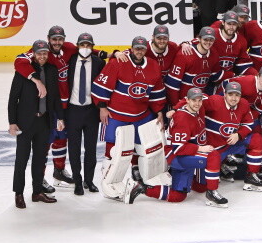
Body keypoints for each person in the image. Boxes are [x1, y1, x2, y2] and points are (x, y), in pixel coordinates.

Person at [92, 36, 167, 201]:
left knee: (149, 145)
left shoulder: (153, 66)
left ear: (145, 49)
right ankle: (108, 181)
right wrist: (102, 107)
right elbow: (101, 85)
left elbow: (156, 92)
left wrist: (159, 110)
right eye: (136, 48)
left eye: (142, 48)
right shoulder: (119, 62)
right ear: (131, 48)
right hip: (117, 114)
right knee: (114, 151)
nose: (139, 51)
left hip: (140, 113)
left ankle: (144, 174)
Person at [9, 40, 65, 209]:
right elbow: (13, 100)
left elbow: (55, 98)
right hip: (25, 123)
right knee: (21, 159)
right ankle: (18, 193)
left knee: (40, 160)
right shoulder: (22, 72)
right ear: (33, 53)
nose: (42, 56)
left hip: (44, 122)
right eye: (39, 53)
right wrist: (12, 122)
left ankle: (37, 192)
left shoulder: (52, 70)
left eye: (44, 53)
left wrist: (60, 118)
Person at [139, 87, 212, 204]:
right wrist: (200, 148)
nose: (197, 104)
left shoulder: (195, 108)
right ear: (188, 101)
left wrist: (175, 108)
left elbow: (202, 97)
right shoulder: (183, 119)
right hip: (177, 156)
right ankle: (142, 188)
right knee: (178, 196)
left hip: (189, 150)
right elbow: (179, 149)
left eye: (199, 100)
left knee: (201, 187)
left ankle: (184, 179)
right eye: (194, 100)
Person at [66, 33, 105, 195]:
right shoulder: (69, 61)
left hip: (91, 111)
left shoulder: (99, 63)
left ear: (93, 47)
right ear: (77, 46)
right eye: (82, 45)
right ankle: (77, 181)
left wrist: (102, 106)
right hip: (72, 111)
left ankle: (89, 180)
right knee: (74, 148)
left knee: (91, 149)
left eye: (89, 45)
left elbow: (104, 86)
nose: (85, 48)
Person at [165, 26, 226, 107]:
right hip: (183, 102)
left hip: (199, 102)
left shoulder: (214, 54)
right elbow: (172, 84)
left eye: (211, 40)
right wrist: (176, 105)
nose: (208, 42)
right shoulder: (184, 54)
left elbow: (215, 78)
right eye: (205, 39)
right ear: (199, 39)